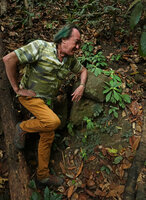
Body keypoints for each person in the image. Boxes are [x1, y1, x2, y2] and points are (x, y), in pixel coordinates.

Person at [3, 24, 87, 186]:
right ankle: (23, 127)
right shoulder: (40, 47)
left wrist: (82, 86)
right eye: (76, 42)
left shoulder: (69, 60)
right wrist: (17, 89)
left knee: (48, 134)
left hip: (46, 104)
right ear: (63, 40)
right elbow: (9, 59)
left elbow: (83, 71)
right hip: (30, 98)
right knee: (54, 122)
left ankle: (43, 176)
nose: (78, 47)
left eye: (79, 44)